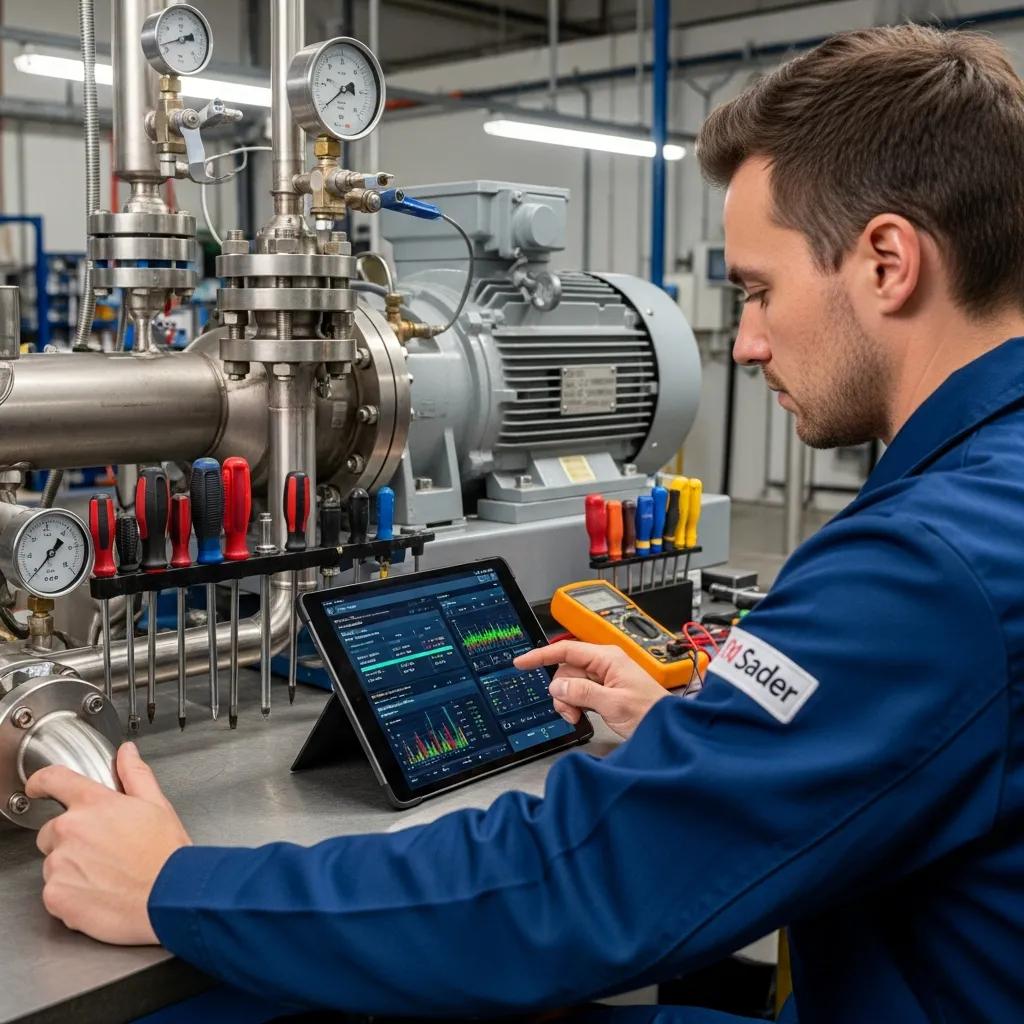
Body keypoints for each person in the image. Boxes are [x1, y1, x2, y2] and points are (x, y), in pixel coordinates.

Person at [26, 23, 1024, 1023]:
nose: (748, 342)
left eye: (758, 290)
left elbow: (572, 886)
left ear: (889, 262)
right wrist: (703, 744)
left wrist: (176, 885)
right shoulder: (985, 499)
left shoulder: (928, 567)